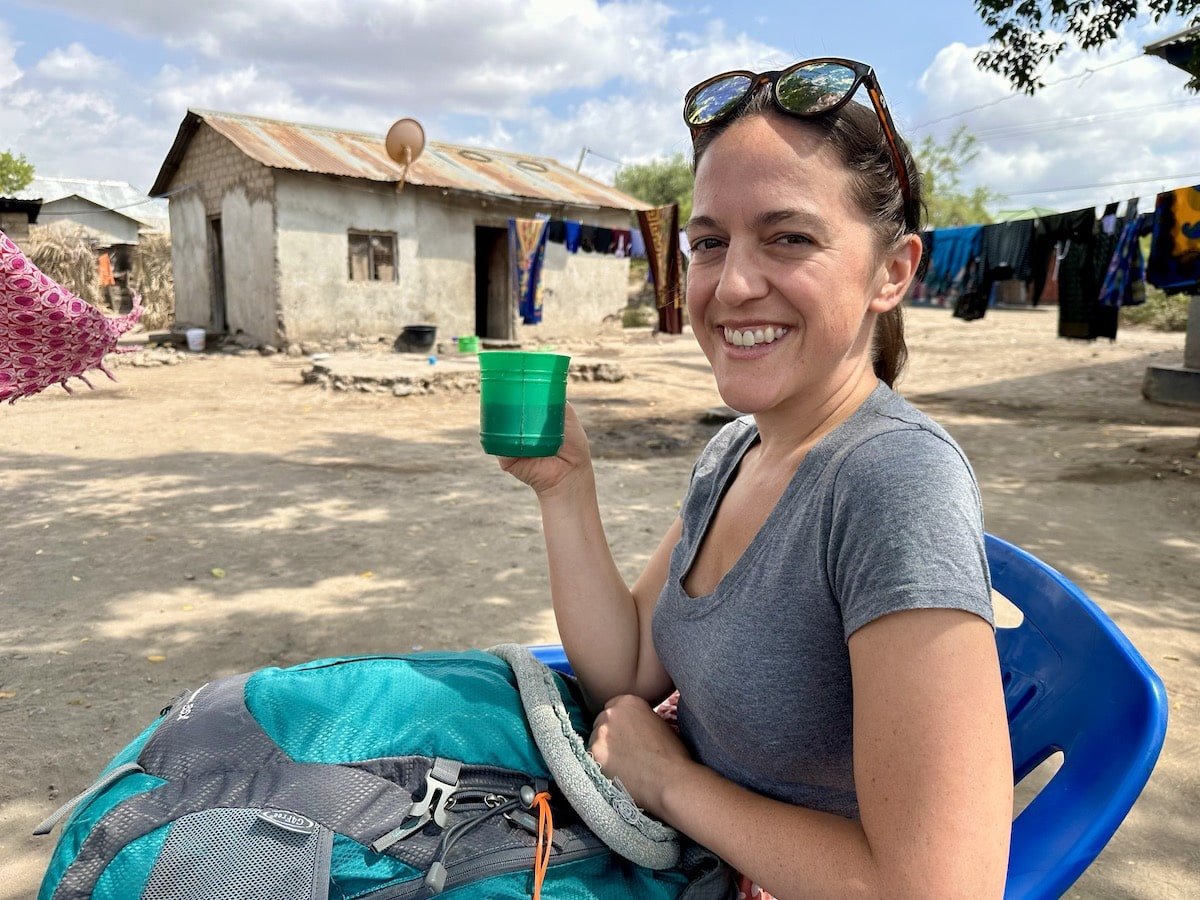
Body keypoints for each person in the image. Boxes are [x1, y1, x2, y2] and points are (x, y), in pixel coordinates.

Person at [500, 58, 1012, 898]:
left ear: (893, 270)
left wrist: (670, 784)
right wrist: (566, 487)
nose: (732, 285)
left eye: (790, 237)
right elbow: (628, 670)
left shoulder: (892, 484)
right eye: (709, 243)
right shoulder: (738, 450)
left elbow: (940, 888)